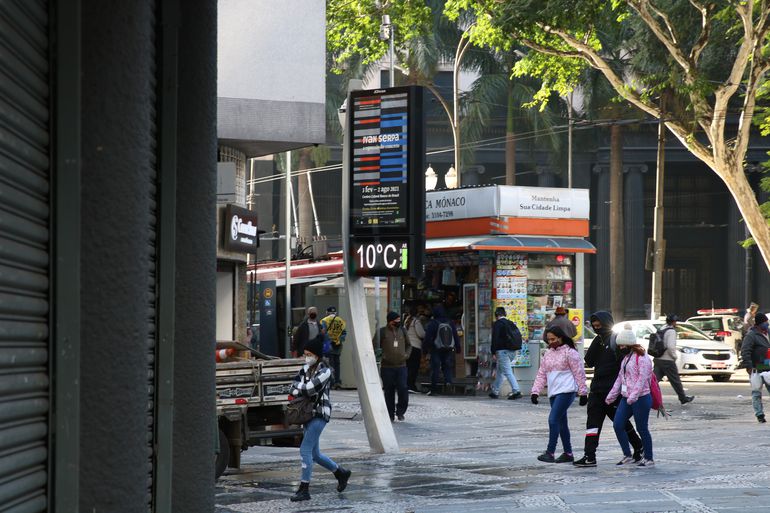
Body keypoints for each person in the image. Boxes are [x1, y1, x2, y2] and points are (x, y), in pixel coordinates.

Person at [573, 311, 643, 468]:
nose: (597, 328)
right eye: (595, 326)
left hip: (613, 391)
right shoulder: (598, 340)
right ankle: (589, 456)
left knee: (622, 423)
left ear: (607, 323)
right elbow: (589, 361)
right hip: (597, 391)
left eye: (600, 325)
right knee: (592, 424)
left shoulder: (617, 340)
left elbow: (627, 360)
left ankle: (639, 447)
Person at [288, 337, 351, 501]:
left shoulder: (325, 371)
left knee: (305, 450)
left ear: (316, 355)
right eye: (305, 354)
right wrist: (301, 388)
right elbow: (292, 387)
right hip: (307, 413)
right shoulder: (306, 368)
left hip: (319, 413)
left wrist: (300, 388)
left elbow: (308, 389)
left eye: (309, 354)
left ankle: (304, 489)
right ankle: (340, 472)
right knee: (314, 454)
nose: (306, 357)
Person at [531, 326, 588, 463]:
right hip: (553, 392)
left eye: (553, 339)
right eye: (548, 339)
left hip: (567, 391)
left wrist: (583, 392)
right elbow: (541, 374)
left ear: (561, 337)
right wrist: (535, 391)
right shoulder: (548, 354)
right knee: (562, 423)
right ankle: (568, 453)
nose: (551, 342)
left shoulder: (570, 353)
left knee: (553, 419)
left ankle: (550, 452)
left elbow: (579, 373)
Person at [605, 323, 656, 467]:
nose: (621, 348)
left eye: (622, 345)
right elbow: (620, 378)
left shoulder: (643, 358)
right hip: (626, 398)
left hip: (641, 398)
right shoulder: (626, 358)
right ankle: (627, 454)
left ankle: (649, 457)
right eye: (619, 346)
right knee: (618, 424)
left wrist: (633, 396)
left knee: (642, 428)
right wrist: (612, 395)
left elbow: (642, 379)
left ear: (629, 344)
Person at [374, 311, 411, 421]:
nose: (397, 323)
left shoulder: (403, 331)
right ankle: (390, 413)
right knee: (389, 391)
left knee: (403, 388)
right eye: (395, 322)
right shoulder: (382, 332)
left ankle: (400, 411)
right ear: (390, 321)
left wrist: (406, 355)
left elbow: (409, 345)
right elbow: (374, 346)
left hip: (401, 366)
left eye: (399, 321)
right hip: (387, 367)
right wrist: (381, 356)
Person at [653, 314, 694, 405]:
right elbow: (671, 346)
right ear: (674, 322)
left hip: (658, 358)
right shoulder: (671, 331)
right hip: (667, 360)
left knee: (654, 380)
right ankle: (683, 398)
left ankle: (645, 395)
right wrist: (674, 356)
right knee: (675, 381)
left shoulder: (662, 329)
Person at [739, 312, 770, 423]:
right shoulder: (751, 335)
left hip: (768, 367)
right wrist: (749, 366)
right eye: (765, 323)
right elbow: (745, 351)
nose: (767, 324)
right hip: (756, 367)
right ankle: (760, 414)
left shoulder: (768, 333)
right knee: (756, 392)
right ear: (759, 324)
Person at [424, 305, 461, 395]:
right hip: (448, 348)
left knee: (435, 368)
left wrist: (425, 349)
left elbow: (427, 338)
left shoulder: (433, 323)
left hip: (435, 348)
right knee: (447, 366)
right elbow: (455, 336)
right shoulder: (450, 322)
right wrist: (458, 348)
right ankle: (448, 382)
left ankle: (434, 389)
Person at [488, 307, 523, 400]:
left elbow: (495, 339)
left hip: (502, 351)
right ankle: (495, 391)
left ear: (496, 315)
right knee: (500, 371)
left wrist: (493, 351)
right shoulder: (510, 323)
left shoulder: (497, 324)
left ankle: (516, 391)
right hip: (513, 351)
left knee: (507, 372)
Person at [321, 306, 346, 390]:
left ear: (327, 312)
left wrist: (329, 341)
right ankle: (337, 381)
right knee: (337, 364)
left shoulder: (324, 320)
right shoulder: (341, 321)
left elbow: (323, 333)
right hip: (338, 345)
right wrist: (338, 340)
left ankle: (331, 382)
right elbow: (344, 333)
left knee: (329, 364)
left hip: (329, 345)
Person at [403, 307, 425, 393]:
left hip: (407, 347)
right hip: (415, 347)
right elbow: (421, 334)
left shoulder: (406, 321)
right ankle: (411, 385)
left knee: (408, 366)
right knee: (414, 367)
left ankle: (406, 384)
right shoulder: (416, 321)